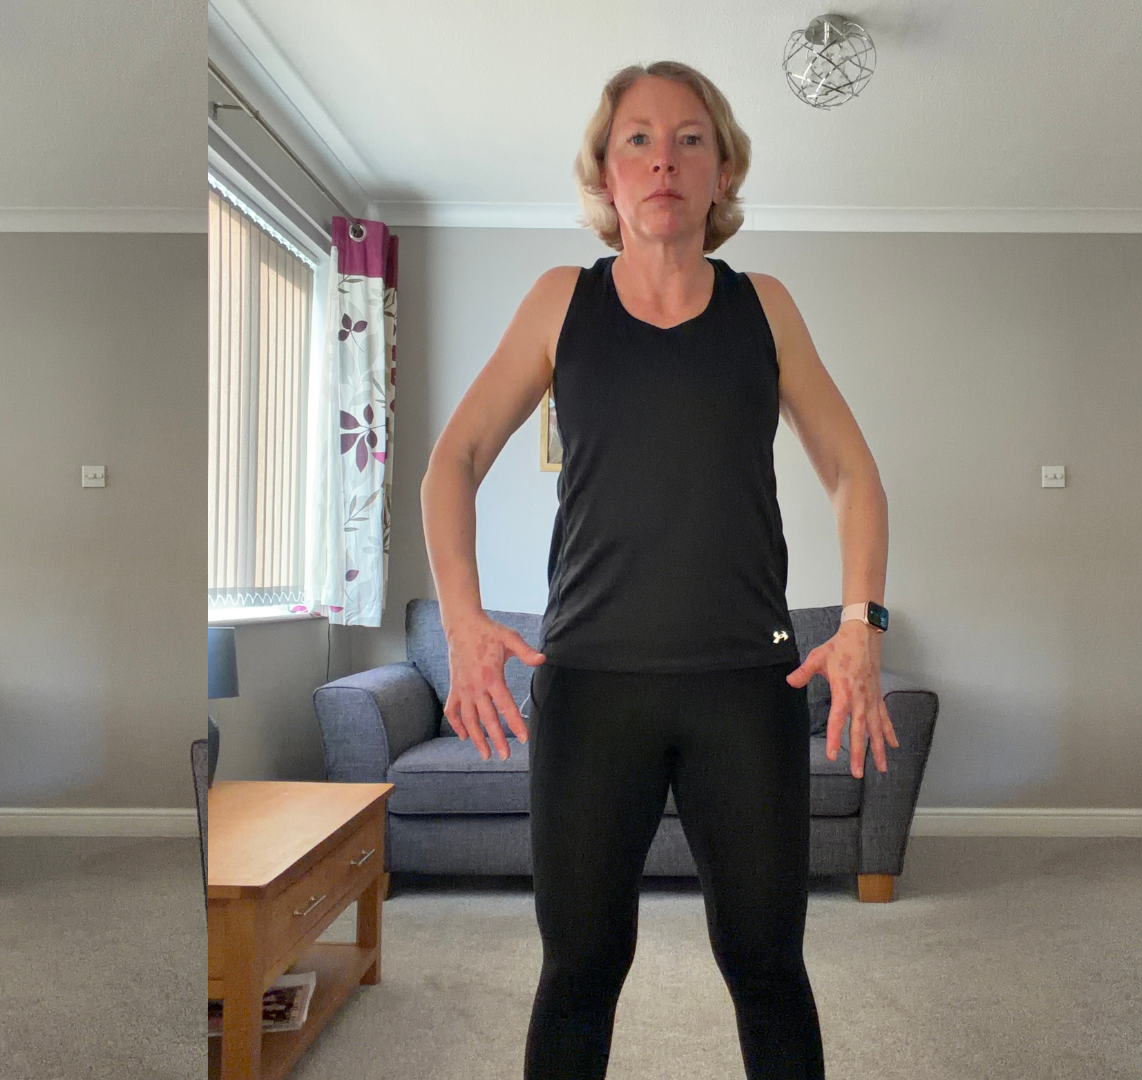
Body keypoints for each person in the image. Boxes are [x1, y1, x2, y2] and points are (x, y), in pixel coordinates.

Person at [420, 63, 896, 1080]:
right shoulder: (562, 302)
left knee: (768, 963)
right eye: (637, 139)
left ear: (722, 170)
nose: (664, 159)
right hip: (593, 689)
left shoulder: (764, 305)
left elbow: (852, 471)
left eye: (689, 138)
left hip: (746, 687)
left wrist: (861, 619)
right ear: (605, 172)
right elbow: (451, 463)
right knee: (581, 967)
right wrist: (461, 620)